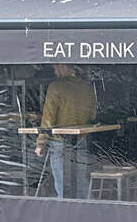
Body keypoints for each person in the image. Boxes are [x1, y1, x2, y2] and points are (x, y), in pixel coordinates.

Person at [35, 64, 98, 198]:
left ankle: (64, 211)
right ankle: (85, 209)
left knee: (62, 181)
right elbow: (93, 114)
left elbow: (48, 116)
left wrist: (41, 143)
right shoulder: (86, 87)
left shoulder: (56, 86)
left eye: (57, 66)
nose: (55, 69)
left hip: (59, 139)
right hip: (82, 138)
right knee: (82, 178)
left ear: (65, 66)